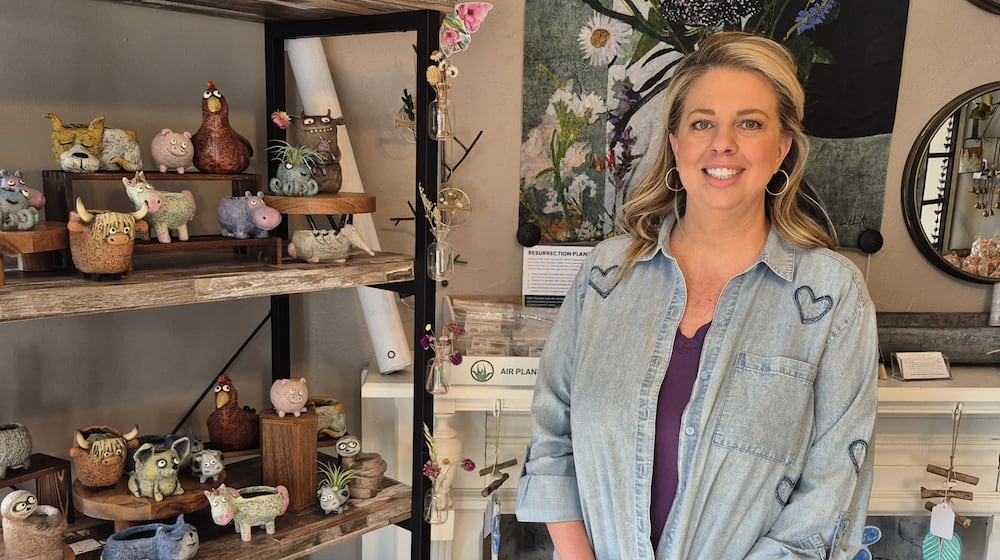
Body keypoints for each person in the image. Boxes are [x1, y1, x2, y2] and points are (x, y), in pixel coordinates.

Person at [515, 31, 879, 560]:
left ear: (781, 148)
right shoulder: (605, 275)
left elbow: (832, 494)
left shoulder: (832, 296)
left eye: (749, 124)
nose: (722, 143)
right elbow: (553, 432)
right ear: (676, 143)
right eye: (702, 123)